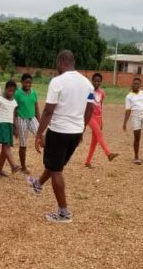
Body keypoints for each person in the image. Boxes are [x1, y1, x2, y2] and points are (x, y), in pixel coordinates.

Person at [26, 50, 95, 223]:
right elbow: (90, 109)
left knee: (56, 169)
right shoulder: (87, 83)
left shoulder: (57, 82)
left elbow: (48, 110)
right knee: (55, 163)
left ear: (60, 63)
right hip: (75, 132)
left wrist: (39, 134)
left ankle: (64, 213)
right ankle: (38, 185)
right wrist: (81, 129)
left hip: (59, 131)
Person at [85, 73, 119, 168]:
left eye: (98, 81)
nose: (97, 82)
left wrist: (101, 120)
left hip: (98, 117)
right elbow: (89, 107)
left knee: (94, 141)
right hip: (90, 116)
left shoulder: (102, 93)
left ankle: (88, 161)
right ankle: (108, 154)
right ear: (92, 81)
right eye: (95, 81)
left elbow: (100, 106)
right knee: (99, 134)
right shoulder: (89, 91)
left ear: (101, 82)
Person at [0, 80, 21, 177]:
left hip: (9, 125)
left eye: (13, 91)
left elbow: (14, 116)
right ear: (5, 89)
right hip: (0, 124)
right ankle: (13, 165)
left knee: (5, 149)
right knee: (6, 145)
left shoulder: (14, 103)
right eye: (9, 90)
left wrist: (15, 128)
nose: (11, 93)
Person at [13, 73, 40, 174]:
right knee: (23, 144)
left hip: (32, 118)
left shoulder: (34, 93)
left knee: (41, 135)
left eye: (29, 82)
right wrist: (14, 126)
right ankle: (23, 167)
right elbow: (14, 109)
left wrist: (40, 122)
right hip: (21, 119)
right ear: (22, 82)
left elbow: (37, 107)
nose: (28, 84)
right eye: (26, 82)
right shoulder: (17, 93)